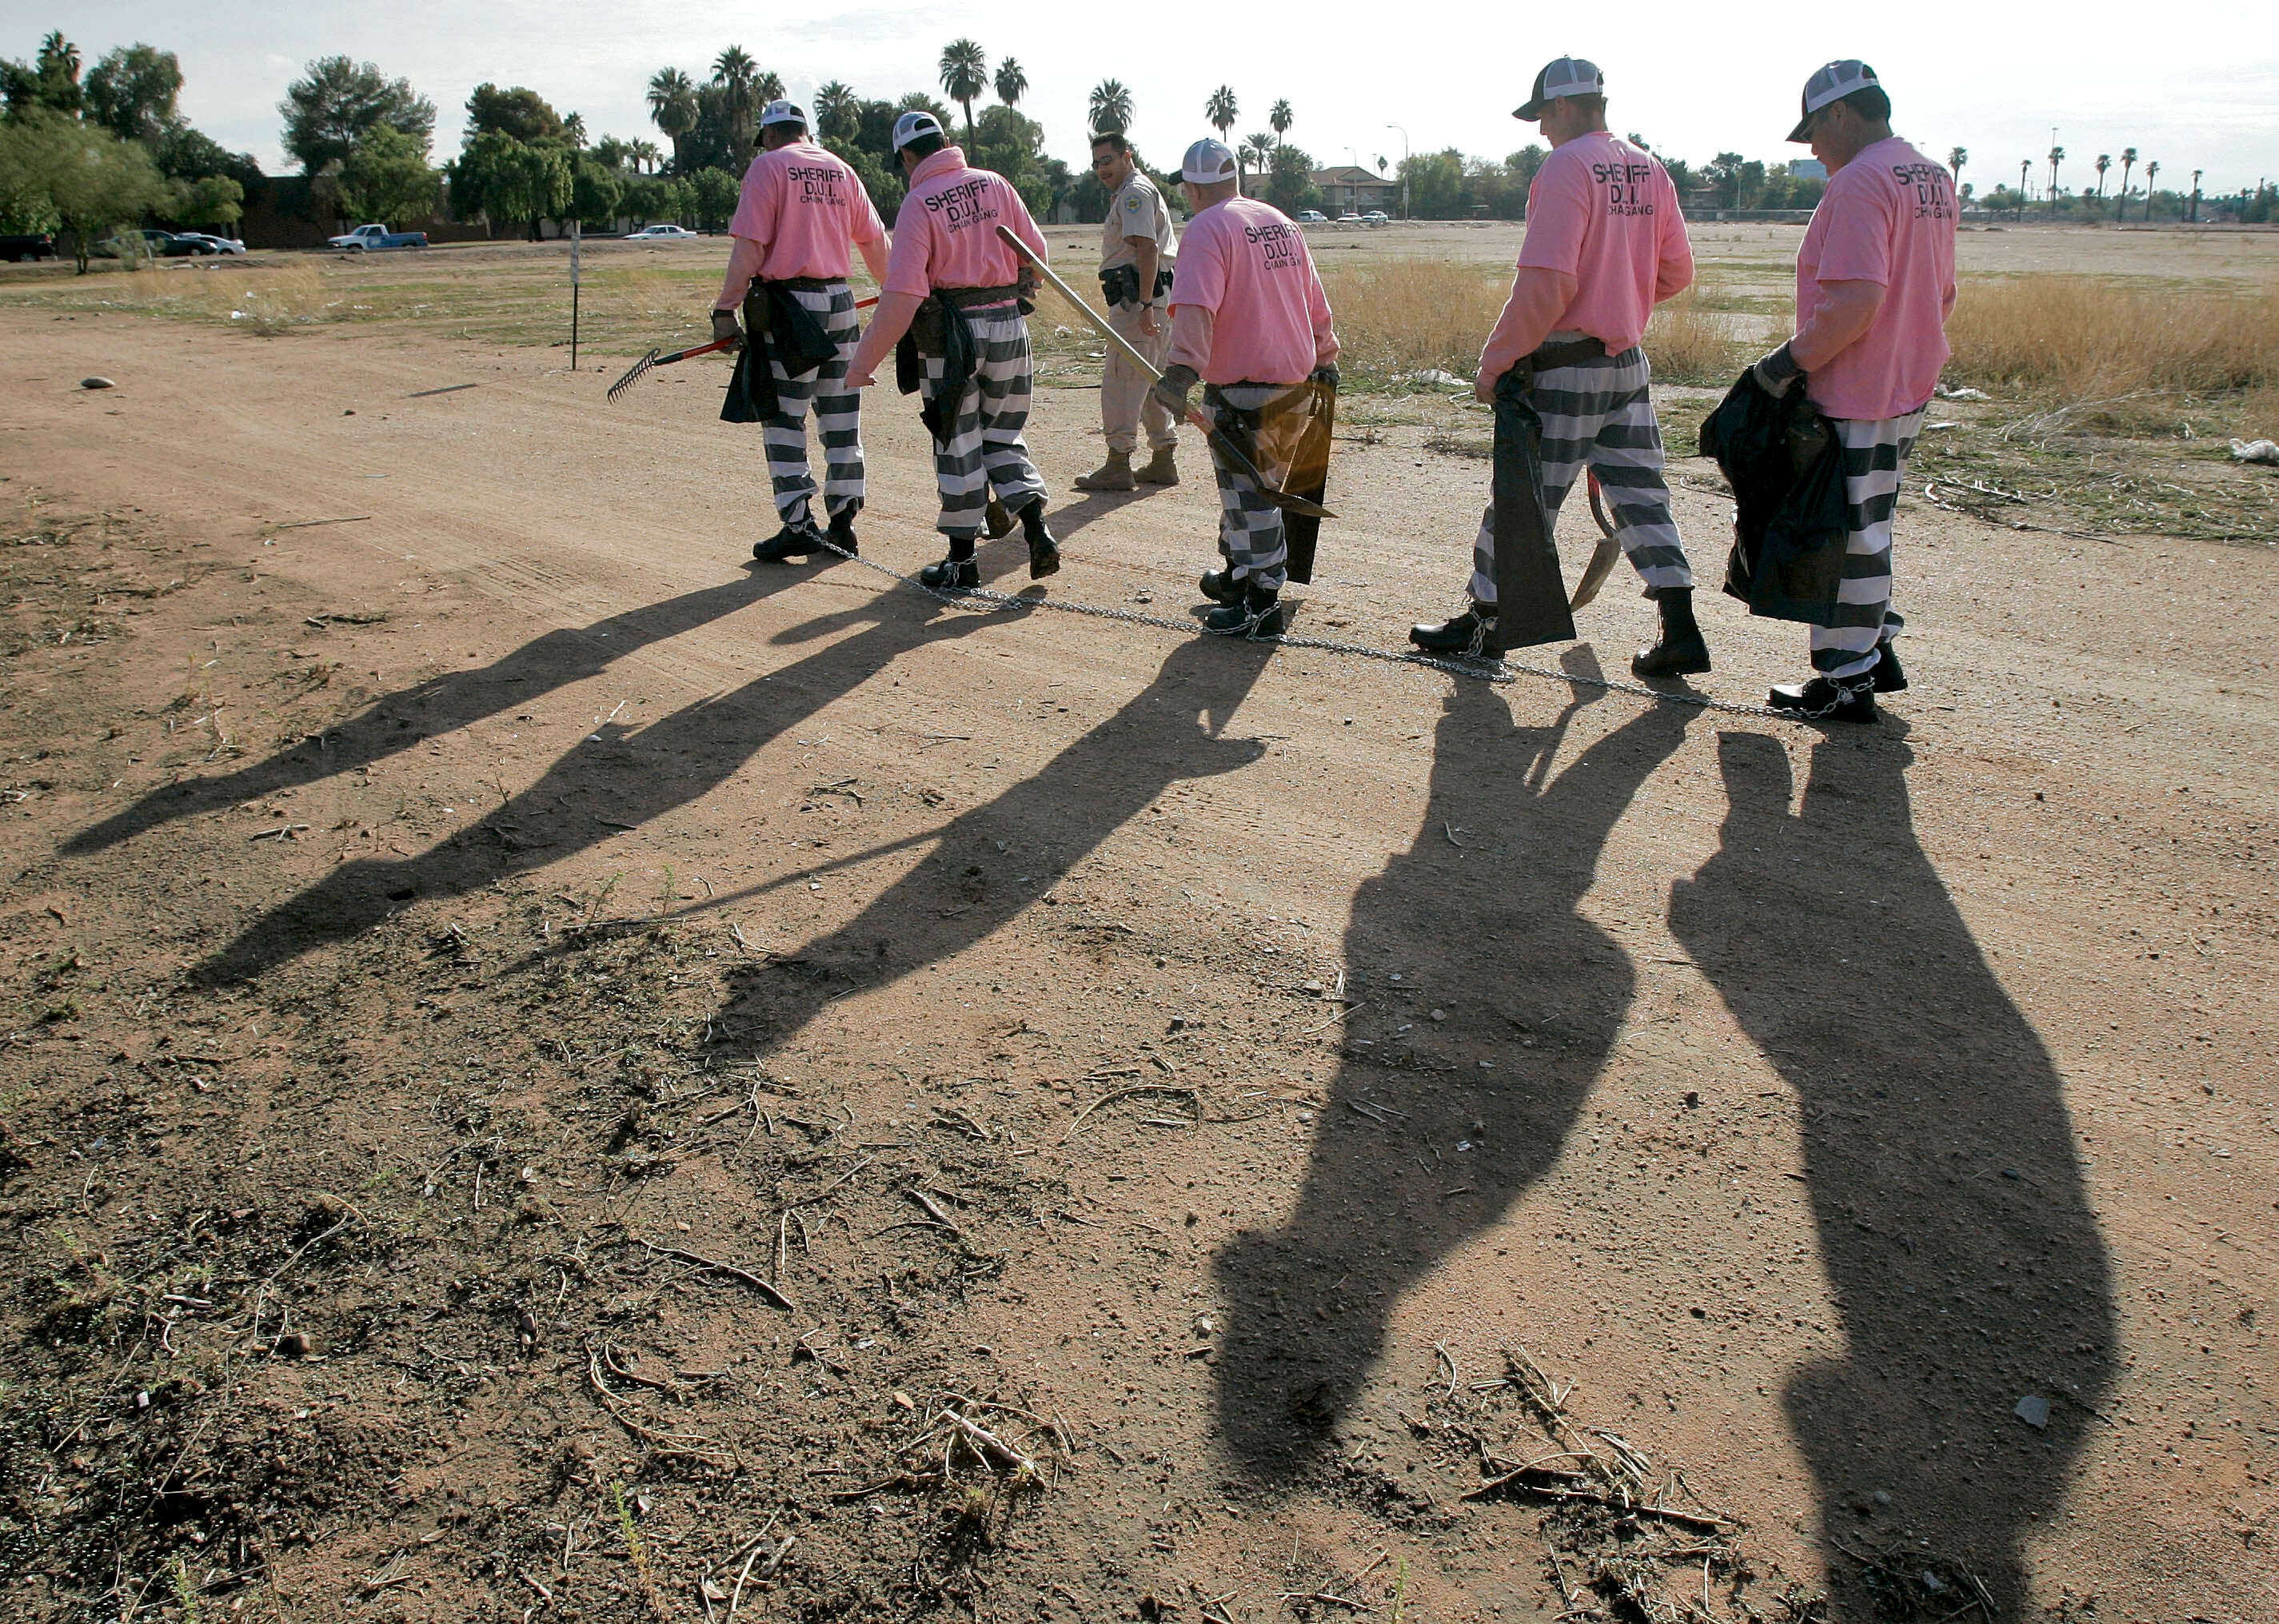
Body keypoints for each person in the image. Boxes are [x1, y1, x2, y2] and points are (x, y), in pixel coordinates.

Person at [1409, 57, 1705, 674]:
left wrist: (1496, 362)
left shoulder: (1566, 167)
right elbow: (1676, 271)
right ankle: (1681, 628)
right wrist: (1619, 299)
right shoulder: (1649, 166)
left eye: (1543, 114)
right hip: (1626, 365)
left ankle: (1485, 623)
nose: (1541, 128)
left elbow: (1546, 283)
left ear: (1566, 107)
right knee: (1642, 496)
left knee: (1524, 498)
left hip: (1566, 366)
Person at [1752, 60, 1956, 720]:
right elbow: (1941, 291)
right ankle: (1876, 647)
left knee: (1845, 536)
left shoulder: (1860, 182)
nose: (1812, 147)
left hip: (1858, 384)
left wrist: (1786, 362)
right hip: (1909, 377)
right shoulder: (1930, 173)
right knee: (1872, 522)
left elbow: (1854, 302)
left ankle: (1847, 680)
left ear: (1840, 114)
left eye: (1812, 128)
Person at [843, 110, 1060, 587]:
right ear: (945, 141)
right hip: (1008, 323)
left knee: (957, 441)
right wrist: (1019, 284)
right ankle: (1038, 529)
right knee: (1002, 435)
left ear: (906, 155)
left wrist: (862, 364)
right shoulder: (995, 184)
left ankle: (962, 563)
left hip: (953, 336)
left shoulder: (919, 203)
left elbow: (903, 296)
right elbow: (1037, 254)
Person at [1150, 138, 1339, 637]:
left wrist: (1180, 372)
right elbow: (1312, 297)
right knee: (1254, 490)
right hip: (1296, 384)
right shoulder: (1280, 222)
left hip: (1244, 392)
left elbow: (1194, 307)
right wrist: (1326, 353)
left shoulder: (1207, 229)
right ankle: (1237, 575)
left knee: (1249, 495)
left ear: (1191, 188)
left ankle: (1261, 602)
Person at [713, 99, 891, 564]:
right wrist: (895, 290)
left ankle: (797, 524)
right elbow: (874, 242)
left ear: (770, 136)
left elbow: (751, 245)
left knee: (784, 417)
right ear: (804, 132)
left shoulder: (767, 168)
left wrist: (726, 307)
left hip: (791, 308)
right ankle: (843, 523)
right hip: (840, 301)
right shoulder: (841, 169)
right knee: (840, 415)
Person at [1073, 132, 1180, 492]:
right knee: (1151, 381)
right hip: (1154, 299)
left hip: (1138, 302)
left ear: (1126, 156)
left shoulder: (1134, 193)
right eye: (1096, 163)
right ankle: (1163, 458)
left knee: (1122, 380)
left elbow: (1147, 250)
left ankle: (1119, 461)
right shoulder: (1134, 191)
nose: (1101, 169)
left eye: (1107, 160)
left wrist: (1145, 306)